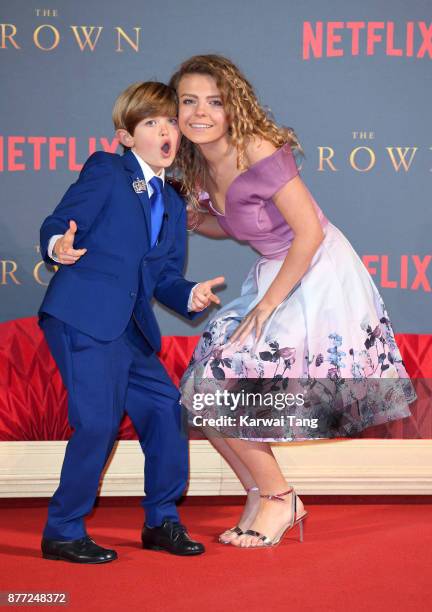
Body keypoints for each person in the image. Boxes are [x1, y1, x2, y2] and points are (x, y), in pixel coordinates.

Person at [169, 55, 417, 549]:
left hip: (315, 274)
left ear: (232, 107)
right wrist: (199, 221)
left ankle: (282, 498)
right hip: (276, 274)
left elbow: (306, 232)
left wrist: (268, 306)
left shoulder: (257, 149)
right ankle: (262, 494)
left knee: (218, 389)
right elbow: (244, 222)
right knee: (199, 392)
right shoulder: (195, 160)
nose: (200, 112)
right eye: (188, 101)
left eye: (214, 102)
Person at [38, 81, 224, 563]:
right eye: (151, 123)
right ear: (126, 137)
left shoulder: (175, 202)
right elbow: (61, 220)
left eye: (170, 123)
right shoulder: (107, 170)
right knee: (97, 423)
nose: (166, 131)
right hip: (84, 315)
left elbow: (162, 276)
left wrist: (190, 293)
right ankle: (62, 530)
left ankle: (162, 520)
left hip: (131, 330)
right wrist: (58, 245)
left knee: (165, 410)